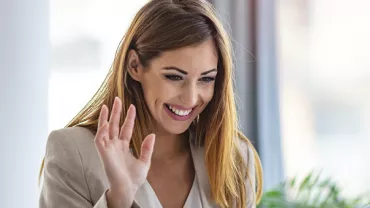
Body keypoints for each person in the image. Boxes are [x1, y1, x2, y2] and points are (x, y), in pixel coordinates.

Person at [38, 0, 263, 207]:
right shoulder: (72, 152)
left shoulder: (233, 158)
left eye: (206, 79)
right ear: (134, 66)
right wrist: (119, 196)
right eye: (174, 77)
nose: (191, 98)